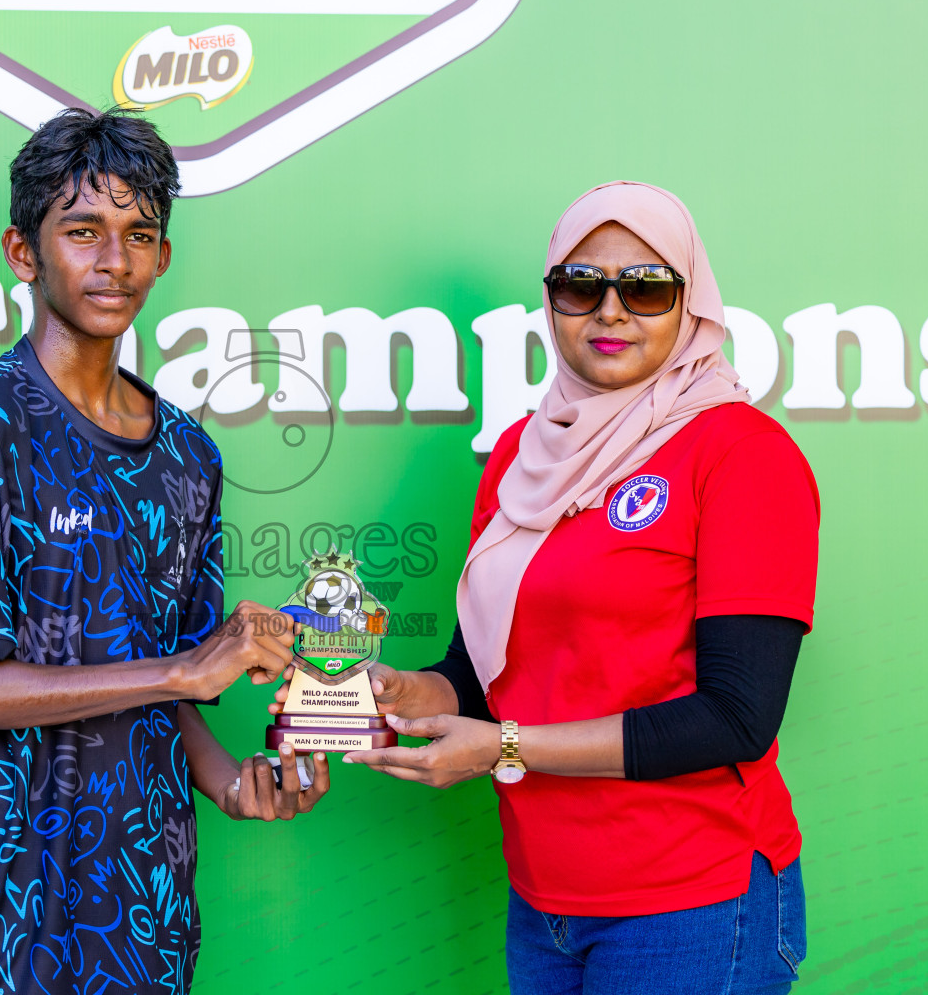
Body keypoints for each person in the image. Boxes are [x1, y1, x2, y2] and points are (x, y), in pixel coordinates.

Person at [276, 182, 819, 993]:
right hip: (545, 905)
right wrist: (398, 696)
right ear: (552, 301)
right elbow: (484, 673)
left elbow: (736, 720)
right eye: (579, 285)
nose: (610, 310)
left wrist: (504, 749)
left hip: (694, 904)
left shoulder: (743, 454)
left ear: (690, 304)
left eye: (645, 287)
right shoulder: (521, 457)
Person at [0, 108, 330, 995]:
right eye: (83, 232)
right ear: (24, 253)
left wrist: (231, 783)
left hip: (143, 907)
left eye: (140, 235)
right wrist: (178, 672)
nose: (115, 261)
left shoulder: (189, 455)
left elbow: (180, 680)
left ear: (163, 256)